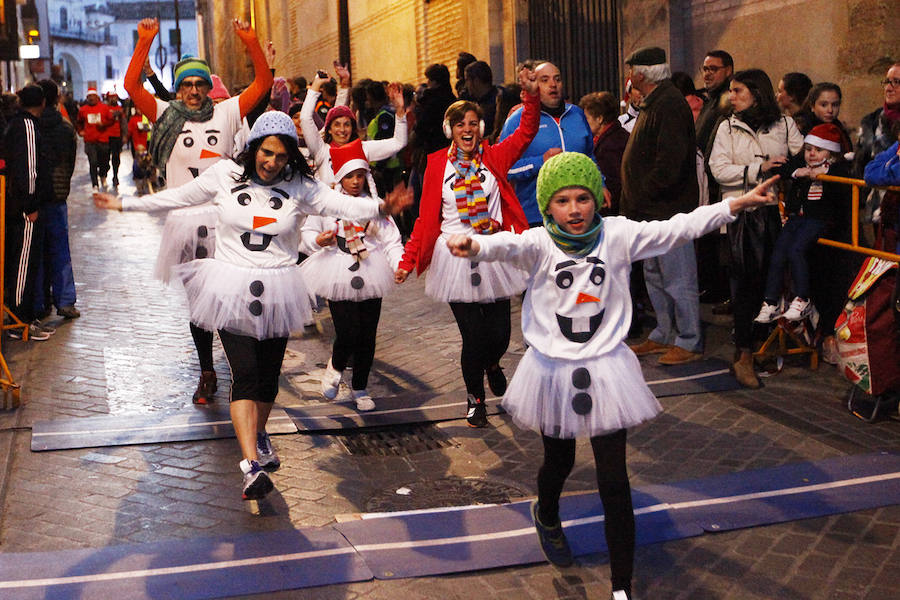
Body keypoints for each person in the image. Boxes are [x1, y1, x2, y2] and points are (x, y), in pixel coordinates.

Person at [445, 151, 780, 600]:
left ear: (595, 200)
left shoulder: (619, 234)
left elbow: (676, 228)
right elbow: (507, 244)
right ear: (548, 207)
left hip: (606, 369)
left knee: (614, 480)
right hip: (552, 371)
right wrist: (476, 246)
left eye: (582, 198)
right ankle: (545, 511)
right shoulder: (540, 243)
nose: (575, 210)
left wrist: (734, 205)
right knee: (559, 461)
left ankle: (621, 586)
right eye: (562, 201)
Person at [93, 111, 412, 500]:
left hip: (279, 288)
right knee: (244, 373)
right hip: (231, 286)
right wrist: (124, 205)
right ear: (253, 148)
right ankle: (250, 467)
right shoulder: (224, 175)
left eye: (281, 156)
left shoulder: (300, 184)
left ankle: (260, 434)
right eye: (266, 153)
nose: (272, 162)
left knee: (267, 377)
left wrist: (381, 208)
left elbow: (340, 205)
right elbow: (177, 197)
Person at [124, 17, 273, 405]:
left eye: (199, 83)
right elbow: (131, 87)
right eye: (186, 84)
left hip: (226, 219)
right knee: (201, 302)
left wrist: (251, 43)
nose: (193, 91)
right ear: (179, 88)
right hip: (188, 223)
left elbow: (262, 85)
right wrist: (144, 43)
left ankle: (242, 369)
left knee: (230, 294)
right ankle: (208, 370)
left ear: (209, 87)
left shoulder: (226, 114)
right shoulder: (164, 114)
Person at [395, 67, 540, 427]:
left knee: (501, 337)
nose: (467, 130)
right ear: (450, 130)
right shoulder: (434, 167)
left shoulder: (494, 157)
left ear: (480, 127)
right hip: (454, 257)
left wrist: (531, 97)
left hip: (493, 252)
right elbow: (425, 221)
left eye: (473, 123)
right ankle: (475, 399)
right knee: (472, 336)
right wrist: (407, 259)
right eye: (460, 124)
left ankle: (493, 363)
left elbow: (525, 132)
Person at [708, 68, 804, 388]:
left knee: (769, 283)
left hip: (773, 213)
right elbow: (719, 169)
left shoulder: (784, 124)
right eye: (731, 91)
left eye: (738, 91)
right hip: (740, 215)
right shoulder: (727, 127)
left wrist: (786, 171)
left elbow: (801, 158)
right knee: (743, 286)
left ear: (756, 93)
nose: (731, 96)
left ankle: (761, 345)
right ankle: (743, 354)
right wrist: (757, 168)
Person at [300, 141, 404, 411]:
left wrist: (398, 264)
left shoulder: (375, 206)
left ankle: (360, 386)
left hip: (371, 272)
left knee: (367, 334)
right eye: (349, 176)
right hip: (337, 270)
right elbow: (307, 233)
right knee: (347, 331)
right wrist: (318, 241)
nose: (355, 181)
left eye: (360, 175)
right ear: (339, 178)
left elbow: (391, 240)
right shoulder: (327, 205)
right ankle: (334, 366)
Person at [620, 47, 704, 366]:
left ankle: (689, 339)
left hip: (667, 211)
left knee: (678, 276)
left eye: (631, 70)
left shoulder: (669, 104)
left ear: (641, 74)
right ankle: (664, 332)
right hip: (649, 213)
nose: (628, 77)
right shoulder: (654, 102)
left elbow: (669, 164)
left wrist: (642, 194)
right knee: (655, 273)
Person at [755, 123, 852, 324]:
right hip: (797, 218)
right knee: (779, 252)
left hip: (818, 220)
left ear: (831, 153)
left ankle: (802, 298)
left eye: (818, 150)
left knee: (797, 250)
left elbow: (844, 185)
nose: (812, 154)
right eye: (809, 149)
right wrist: (799, 172)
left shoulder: (837, 169)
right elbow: (785, 167)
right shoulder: (804, 166)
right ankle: (770, 301)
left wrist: (826, 177)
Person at [500, 61, 594, 228]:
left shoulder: (577, 114)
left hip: (577, 214)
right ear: (534, 84)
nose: (553, 85)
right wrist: (540, 161)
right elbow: (504, 168)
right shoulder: (517, 120)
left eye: (557, 79)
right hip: (535, 215)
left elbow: (590, 156)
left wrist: (601, 183)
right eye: (545, 80)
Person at [3, 85, 52, 340]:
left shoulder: (17, 124)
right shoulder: (27, 127)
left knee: (23, 262)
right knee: (24, 262)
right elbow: (29, 168)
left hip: (18, 205)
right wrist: (31, 205)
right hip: (25, 210)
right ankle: (20, 321)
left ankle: (24, 317)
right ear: (42, 102)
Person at [301, 74, 407, 186]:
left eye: (347, 125)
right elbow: (305, 119)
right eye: (337, 125)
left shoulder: (361, 149)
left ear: (352, 128)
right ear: (329, 130)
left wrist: (400, 109)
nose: (342, 130)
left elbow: (399, 142)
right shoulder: (321, 150)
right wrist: (316, 85)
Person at [35, 79, 80, 322]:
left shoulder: (33, 126)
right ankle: (65, 301)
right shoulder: (65, 127)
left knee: (37, 250)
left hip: (36, 196)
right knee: (61, 250)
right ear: (56, 99)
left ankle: (40, 301)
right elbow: (70, 161)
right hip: (58, 195)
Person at [579, 91, 628, 215]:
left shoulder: (610, 145)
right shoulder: (616, 136)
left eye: (586, 119)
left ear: (599, 119)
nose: (582, 124)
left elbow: (614, 186)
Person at [76, 88, 112, 191]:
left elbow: (111, 121)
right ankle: (95, 184)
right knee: (93, 162)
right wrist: (80, 131)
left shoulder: (104, 108)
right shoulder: (83, 110)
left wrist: (104, 124)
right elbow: (78, 122)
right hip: (90, 140)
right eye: (89, 97)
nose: (91, 98)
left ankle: (103, 176)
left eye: (93, 96)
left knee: (104, 161)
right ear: (87, 98)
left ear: (97, 97)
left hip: (103, 139)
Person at [461, 60, 501, 136]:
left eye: (467, 80)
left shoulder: (497, 103)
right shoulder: (478, 102)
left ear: (476, 81)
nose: (466, 85)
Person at [105, 91, 126, 189]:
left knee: (116, 158)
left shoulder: (120, 109)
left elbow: (124, 123)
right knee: (105, 157)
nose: (113, 99)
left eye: (115, 97)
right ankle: (105, 169)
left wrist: (125, 135)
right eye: (111, 97)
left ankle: (115, 176)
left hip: (117, 137)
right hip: (106, 137)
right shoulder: (105, 109)